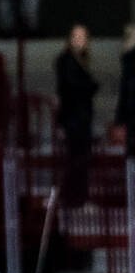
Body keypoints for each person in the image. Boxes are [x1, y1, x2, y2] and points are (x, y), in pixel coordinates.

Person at [55, 25, 97, 204]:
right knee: (76, 160)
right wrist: (91, 86)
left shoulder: (78, 61)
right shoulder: (67, 61)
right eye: (76, 37)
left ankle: (77, 196)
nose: (80, 41)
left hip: (79, 118)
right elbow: (71, 90)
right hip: (74, 120)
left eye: (83, 37)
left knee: (80, 159)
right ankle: (74, 198)